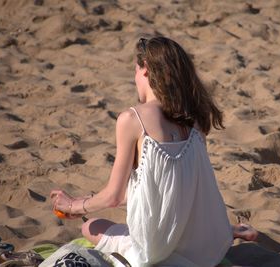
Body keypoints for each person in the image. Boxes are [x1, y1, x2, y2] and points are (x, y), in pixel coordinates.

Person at [50, 36, 258, 267]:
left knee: (90, 226)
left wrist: (73, 206)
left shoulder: (132, 119)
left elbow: (114, 197)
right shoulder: (195, 119)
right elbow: (175, 185)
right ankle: (230, 230)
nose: (134, 77)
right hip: (205, 244)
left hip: (158, 250)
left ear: (146, 69)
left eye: (135, 70)